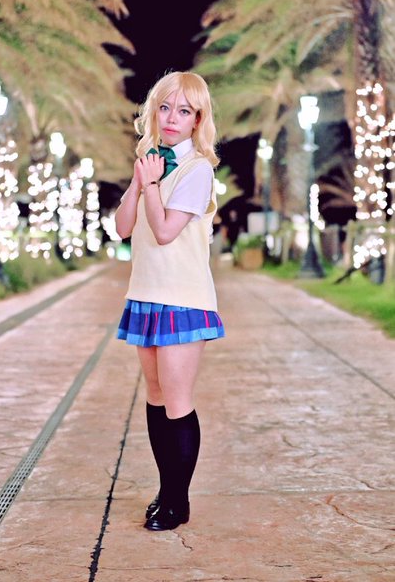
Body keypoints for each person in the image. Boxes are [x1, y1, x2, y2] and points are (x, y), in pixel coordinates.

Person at [115, 70, 225, 532]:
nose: (172, 118)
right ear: (153, 113)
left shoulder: (197, 170)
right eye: (164, 108)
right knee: (156, 397)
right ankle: (166, 490)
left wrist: (153, 184)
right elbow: (123, 227)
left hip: (182, 298)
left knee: (177, 401)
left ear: (198, 119)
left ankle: (178, 503)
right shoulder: (152, 164)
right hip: (145, 294)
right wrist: (140, 180)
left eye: (184, 110)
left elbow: (163, 232)